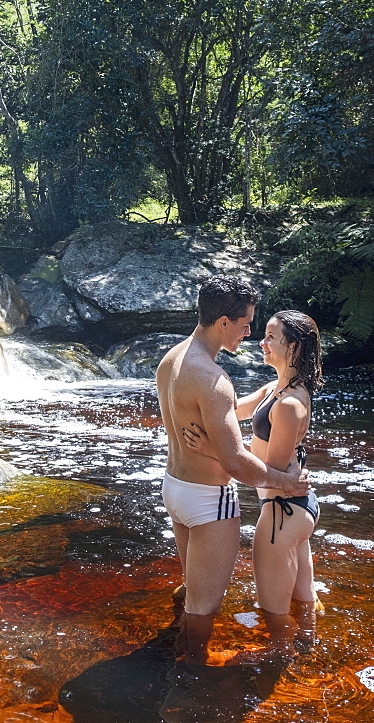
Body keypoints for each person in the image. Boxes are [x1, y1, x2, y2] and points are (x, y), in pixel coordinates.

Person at [156, 275, 310, 665]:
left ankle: (176, 653)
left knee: (193, 591)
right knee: (203, 608)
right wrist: (286, 482)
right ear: (223, 322)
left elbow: (191, 427)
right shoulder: (213, 379)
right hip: (210, 502)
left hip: (175, 487)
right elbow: (235, 462)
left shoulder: (171, 359)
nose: (249, 332)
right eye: (244, 324)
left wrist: (212, 445)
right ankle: (192, 682)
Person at [185, 309, 324, 654]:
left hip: (281, 514)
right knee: (305, 602)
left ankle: (281, 666)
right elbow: (232, 410)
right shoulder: (274, 389)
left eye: (270, 337)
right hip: (294, 510)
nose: (261, 342)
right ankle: (311, 656)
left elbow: (267, 471)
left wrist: (211, 448)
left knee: (273, 612)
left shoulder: (291, 404)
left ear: (293, 347)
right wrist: (189, 390)